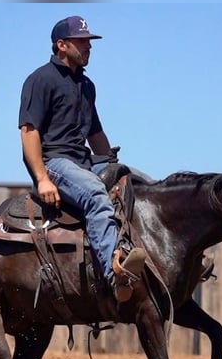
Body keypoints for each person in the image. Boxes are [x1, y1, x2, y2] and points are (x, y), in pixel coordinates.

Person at [18, 15, 146, 303]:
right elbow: (29, 132)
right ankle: (117, 276)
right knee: (96, 195)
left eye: (89, 41)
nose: (89, 46)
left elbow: (95, 133)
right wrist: (42, 179)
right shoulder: (40, 79)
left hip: (85, 161)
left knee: (140, 183)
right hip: (56, 162)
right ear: (61, 45)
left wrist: (116, 168)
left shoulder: (87, 86)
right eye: (82, 41)